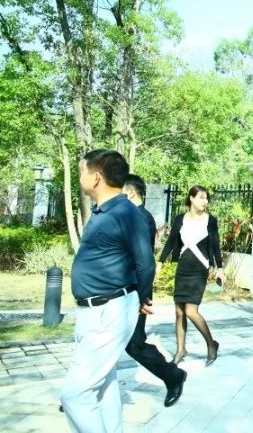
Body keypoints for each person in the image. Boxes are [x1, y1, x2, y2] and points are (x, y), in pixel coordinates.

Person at [60, 150, 155, 432]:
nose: (80, 177)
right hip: (94, 311)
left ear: (96, 177)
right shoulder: (105, 210)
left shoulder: (127, 213)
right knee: (103, 385)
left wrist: (142, 298)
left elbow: (146, 264)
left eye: (82, 171)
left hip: (109, 311)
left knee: (75, 395)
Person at [122, 174, 187, 407]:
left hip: (135, 291)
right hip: (123, 289)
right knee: (105, 340)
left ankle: (173, 376)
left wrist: (141, 298)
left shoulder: (140, 218)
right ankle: (85, 389)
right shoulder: (132, 216)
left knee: (135, 344)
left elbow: (145, 262)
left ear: (130, 192)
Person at [159, 185, 224, 366]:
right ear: (191, 198)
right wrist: (160, 263)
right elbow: (171, 241)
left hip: (199, 269)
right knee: (179, 311)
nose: (205, 201)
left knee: (190, 311)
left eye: (206, 198)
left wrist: (219, 268)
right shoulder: (180, 218)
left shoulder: (210, 220)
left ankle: (211, 344)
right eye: (201, 197)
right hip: (183, 268)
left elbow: (215, 245)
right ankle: (181, 350)